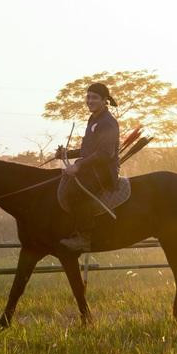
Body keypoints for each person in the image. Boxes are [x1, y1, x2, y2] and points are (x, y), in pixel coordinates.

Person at [56, 83, 120, 253]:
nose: (90, 101)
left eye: (94, 98)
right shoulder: (94, 119)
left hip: (104, 171)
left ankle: (84, 238)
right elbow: (87, 151)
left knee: (75, 192)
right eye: (88, 97)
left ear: (104, 100)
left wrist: (79, 165)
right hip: (92, 168)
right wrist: (66, 154)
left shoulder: (107, 123)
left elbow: (105, 153)